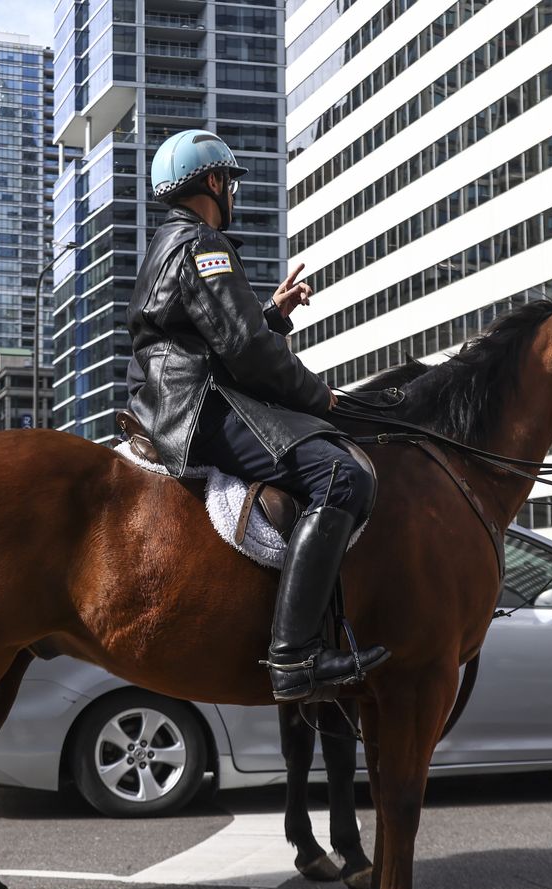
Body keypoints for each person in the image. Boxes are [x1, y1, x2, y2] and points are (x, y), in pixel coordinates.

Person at [127, 129, 387, 704]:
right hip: (196, 406)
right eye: (230, 182)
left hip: (174, 397)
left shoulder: (169, 241)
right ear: (215, 182)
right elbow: (244, 353)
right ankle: (296, 656)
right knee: (343, 475)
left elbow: (219, 333)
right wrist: (319, 396)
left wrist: (273, 311)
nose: (233, 193)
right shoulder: (202, 243)